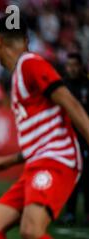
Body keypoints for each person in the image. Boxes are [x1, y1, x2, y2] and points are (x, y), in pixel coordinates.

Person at [0, 16, 89, 239]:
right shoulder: (20, 74)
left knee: (31, 230)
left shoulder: (30, 64)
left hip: (57, 160)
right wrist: (8, 161)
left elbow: (71, 103)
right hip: (38, 162)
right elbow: (42, 132)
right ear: (26, 39)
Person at [59, 53, 89, 226]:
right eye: (69, 65)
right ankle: (69, 213)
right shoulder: (62, 86)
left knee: (86, 176)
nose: (72, 68)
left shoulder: (86, 85)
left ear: (80, 66)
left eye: (75, 65)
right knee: (70, 177)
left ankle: (86, 213)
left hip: (85, 136)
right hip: (67, 137)